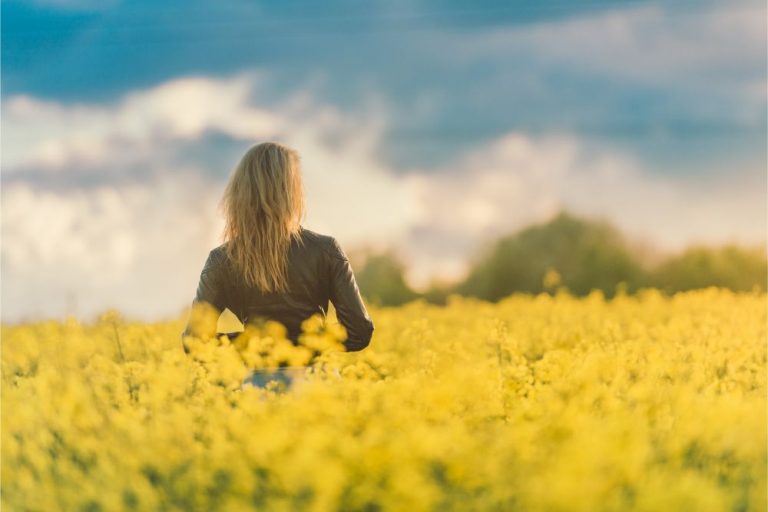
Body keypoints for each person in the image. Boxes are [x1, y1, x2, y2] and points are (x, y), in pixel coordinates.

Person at [180, 141, 374, 388]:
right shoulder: (325, 250)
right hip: (319, 386)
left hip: (257, 387)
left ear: (240, 192)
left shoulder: (221, 260)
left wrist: (257, 342)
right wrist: (304, 343)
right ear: (292, 191)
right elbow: (359, 332)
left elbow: (195, 342)